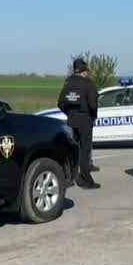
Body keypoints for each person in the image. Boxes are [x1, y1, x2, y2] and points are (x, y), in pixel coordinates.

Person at [58, 59, 99, 189]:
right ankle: (86, 180)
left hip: (72, 121)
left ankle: (71, 177)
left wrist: (70, 114)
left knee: (73, 150)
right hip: (85, 121)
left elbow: (60, 103)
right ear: (84, 71)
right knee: (85, 151)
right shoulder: (88, 84)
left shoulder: (68, 84)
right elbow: (93, 104)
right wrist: (93, 116)